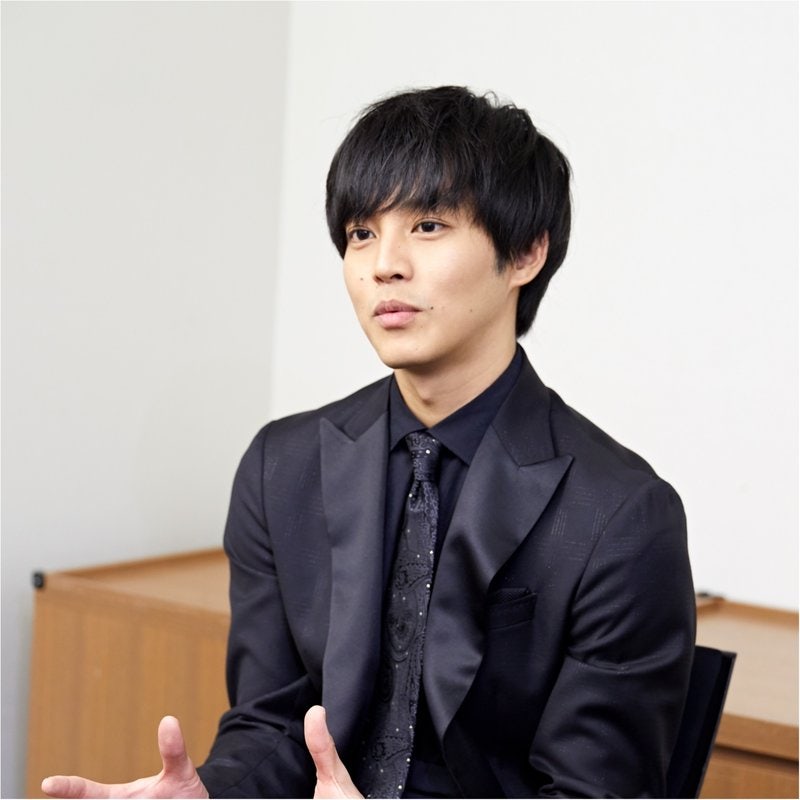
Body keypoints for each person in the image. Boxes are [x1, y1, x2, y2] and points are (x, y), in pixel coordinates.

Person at [42, 86, 695, 799]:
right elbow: (273, 724)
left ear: (525, 252)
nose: (384, 264)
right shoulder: (282, 468)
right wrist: (213, 793)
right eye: (360, 233)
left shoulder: (620, 514)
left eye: (428, 226)